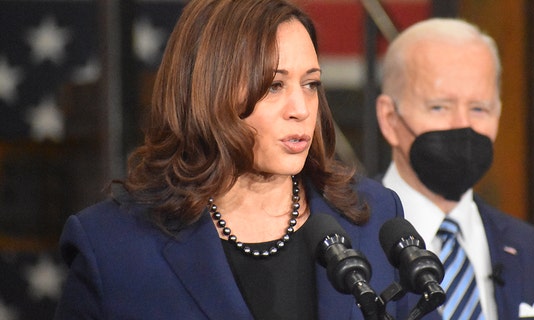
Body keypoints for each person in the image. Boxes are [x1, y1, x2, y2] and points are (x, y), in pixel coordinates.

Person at [54, 0, 407, 319]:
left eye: (310, 84)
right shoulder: (111, 246)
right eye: (273, 86)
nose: (301, 110)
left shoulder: (373, 215)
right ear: (209, 93)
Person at [376, 18, 534, 319]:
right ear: (390, 119)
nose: (462, 125)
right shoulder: (343, 248)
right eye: (439, 107)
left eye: (478, 108)